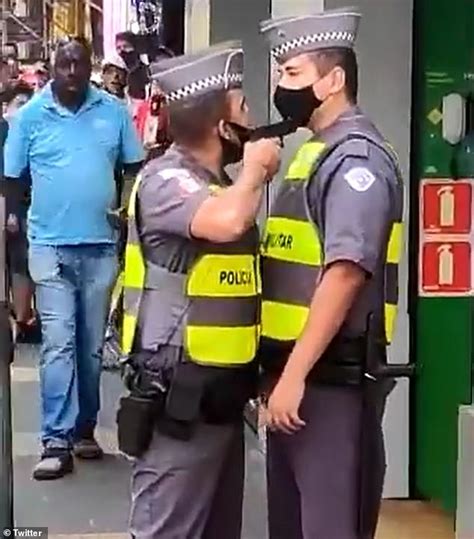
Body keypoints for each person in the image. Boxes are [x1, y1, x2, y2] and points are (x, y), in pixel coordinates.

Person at [121, 41, 280, 538]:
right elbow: (229, 222)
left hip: (221, 401)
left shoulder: (219, 183)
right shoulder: (167, 181)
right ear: (220, 125)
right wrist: (256, 169)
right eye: (244, 107)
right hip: (178, 403)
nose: (253, 120)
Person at [258, 8, 404, 539]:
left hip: (329, 386)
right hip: (296, 383)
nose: (281, 86)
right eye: (279, 74)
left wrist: (293, 376)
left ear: (334, 80)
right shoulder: (312, 153)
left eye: (293, 74)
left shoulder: (356, 159)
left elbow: (345, 273)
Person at [4, 36, 144, 480]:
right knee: (58, 342)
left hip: (102, 247)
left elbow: (134, 170)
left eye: (77, 64)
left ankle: (85, 428)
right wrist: (12, 229)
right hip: (48, 247)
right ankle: (55, 440)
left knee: (87, 347)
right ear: (53, 66)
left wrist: (127, 216)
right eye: (62, 63)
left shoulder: (115, 113)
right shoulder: (29, 117)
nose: (70, 72)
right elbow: (10, 179)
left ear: (89, 68)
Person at [1, 81, 38, 342]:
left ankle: (22, 317)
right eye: (20, 105)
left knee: (21, 262)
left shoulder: (34, 134)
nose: (24, 111)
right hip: (7, 206)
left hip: (27, 209)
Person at [115, 31, 149, 100]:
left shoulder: (146, 71)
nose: (122, 51)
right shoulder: (115, 72)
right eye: (118, 48)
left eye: (126, 46)